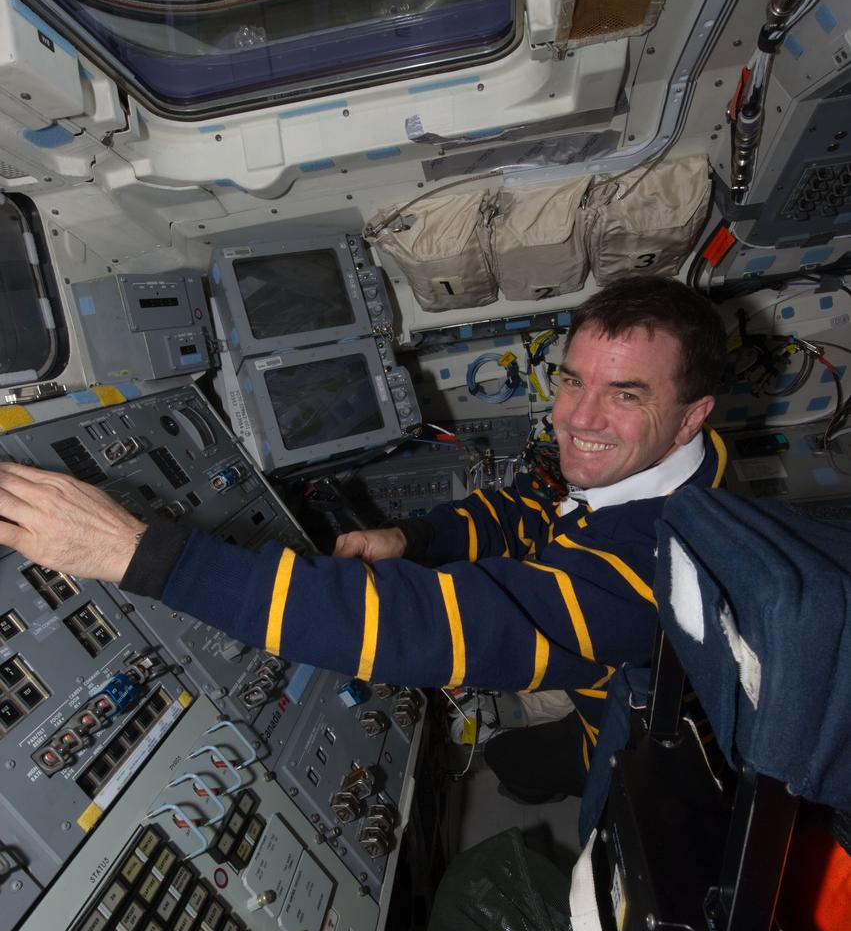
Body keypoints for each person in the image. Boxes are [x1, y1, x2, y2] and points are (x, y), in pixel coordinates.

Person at [0, 275, 726, 798]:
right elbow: (530, 510)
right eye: (572, 382)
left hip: (642, 763)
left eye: (625, 395)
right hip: (610, 694)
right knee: (513, 763)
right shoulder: (646, 475)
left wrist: (139, 555)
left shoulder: (664, 562)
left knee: (511, 792)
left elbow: (434, 627)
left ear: (692, 415)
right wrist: (414, 539)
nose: (579, 418)